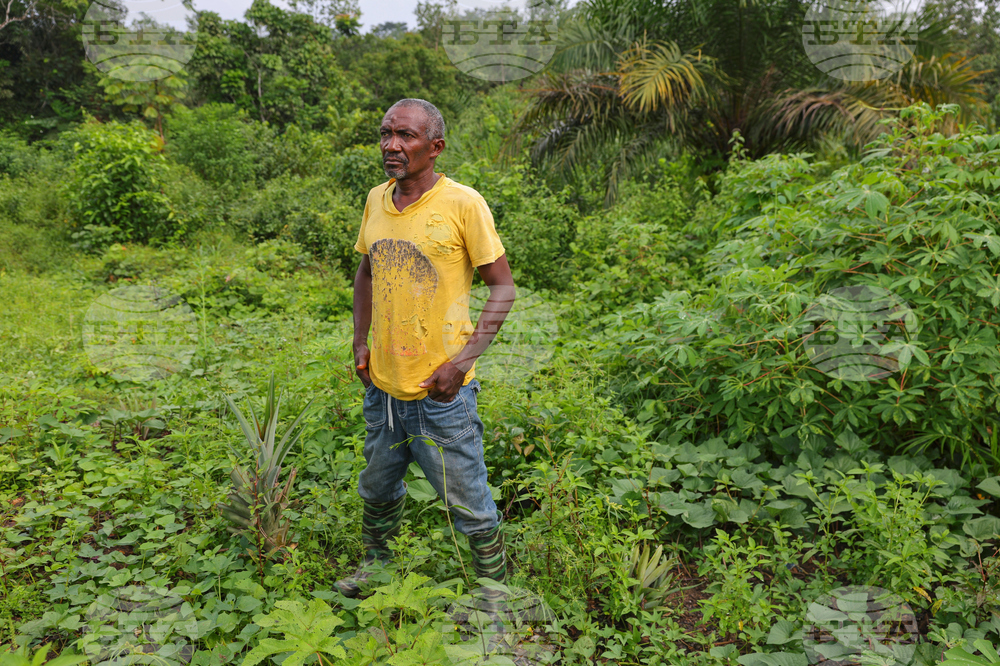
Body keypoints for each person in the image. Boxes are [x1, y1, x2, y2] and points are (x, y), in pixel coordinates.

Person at [335, 98, 517, 598]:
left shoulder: (463, 204)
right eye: (386, 133)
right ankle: (376, 567)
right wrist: (359, 341)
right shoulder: (376, 199)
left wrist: (462, 363)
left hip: (442, 395)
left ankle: (496, 598)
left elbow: (503, 288)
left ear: (434, 148)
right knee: (376, 487)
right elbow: (367, 271)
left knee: (468, 500)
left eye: (406, 136)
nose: (392, 145)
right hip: (384, 390)